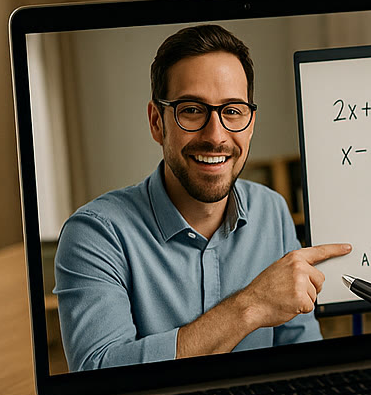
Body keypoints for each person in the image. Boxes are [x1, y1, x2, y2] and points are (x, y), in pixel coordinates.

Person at [55, 24, 349, 371]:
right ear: (156, 122)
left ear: (251, 122)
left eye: (232, 111)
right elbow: (97, 373)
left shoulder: (272, 210)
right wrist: (250, 306)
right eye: (192, 110)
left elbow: (302, 353)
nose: (216, 135)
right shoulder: (94, 234)